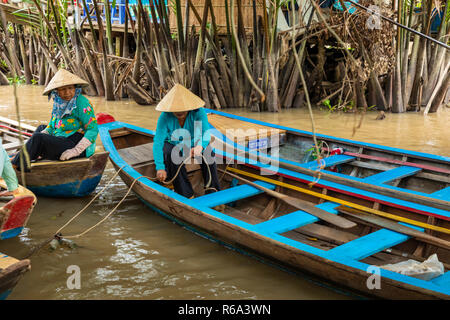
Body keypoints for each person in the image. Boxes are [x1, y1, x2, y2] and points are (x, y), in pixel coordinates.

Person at [12, 69, 98, 171]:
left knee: (38, 138)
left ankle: (15, 165)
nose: (67, 93)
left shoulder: (81, 102)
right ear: (56, 91)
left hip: (76, 144)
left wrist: (75, 151)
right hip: (63, 137)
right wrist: (42, 136)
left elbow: (93, 130)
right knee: (41, 128)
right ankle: (26, 155)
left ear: (75, 88)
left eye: (70, 88)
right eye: (62, 89)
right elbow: (52, 126)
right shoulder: (58, 102)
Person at [153, 84, 221, 199]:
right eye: (176, 109)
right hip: (172, 142)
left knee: (208, 153)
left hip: (194, 141)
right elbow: (158, 142)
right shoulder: (165, 117)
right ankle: (186, 194)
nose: (179, 112)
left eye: (183, 109)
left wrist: (200, 146)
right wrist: (160, 167)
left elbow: (205, 133)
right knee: (170, 154)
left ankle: (213, 191)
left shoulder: (198, 113)